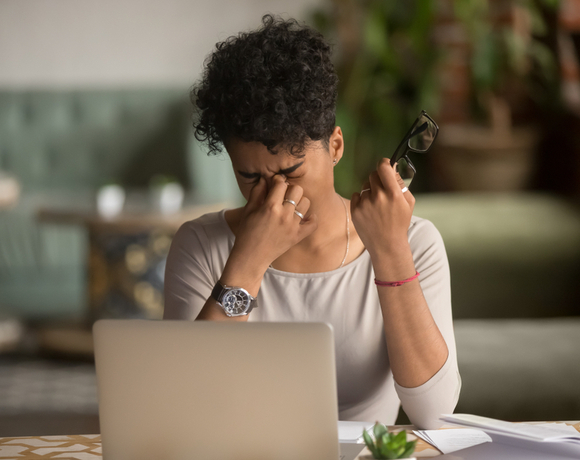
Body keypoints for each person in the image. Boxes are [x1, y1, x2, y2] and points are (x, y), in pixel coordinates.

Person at [164, 15, 460, 430]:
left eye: (293, 170)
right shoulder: (200, 245)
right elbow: (184, 409)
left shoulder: (415, 242)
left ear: (335, 146)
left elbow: (435, 413)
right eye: (250, 177)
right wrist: (248, 261)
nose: (274, 194)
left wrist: (390, 251)